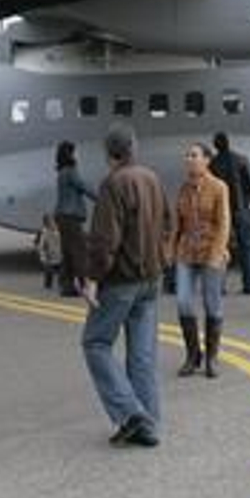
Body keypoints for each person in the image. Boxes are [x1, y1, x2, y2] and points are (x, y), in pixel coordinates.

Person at [80, 123, 170, 448]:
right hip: (151, 278)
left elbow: (105, 240)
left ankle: (131, 414)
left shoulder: (113, 184)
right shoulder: (152, 178)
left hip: (121, 280)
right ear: (133, 148)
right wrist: (161, 260)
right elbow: (168, 224)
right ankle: (150, 424)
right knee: (142, 355)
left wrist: (92, 279)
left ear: (109, 154)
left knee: (95, 343)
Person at [171, 143, 230, 378]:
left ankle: (211, 357)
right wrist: (169, 250)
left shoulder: (219, 187)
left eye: (194, 155)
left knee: (211, 304)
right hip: (186, 252)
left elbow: (224, 223)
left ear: (206, 160)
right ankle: (192, 355)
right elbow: (178, 224)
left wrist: (217, 254)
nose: (189, 159)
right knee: (183, 302)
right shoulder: (183, 189)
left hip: (210, 253)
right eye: (187, 155)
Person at [209, 132, 250, 295]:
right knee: (246, 248)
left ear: (216, 146)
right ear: (228, 143)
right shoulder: (241, 160)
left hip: (222, 212)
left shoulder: (213, 164)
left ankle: (221, 286)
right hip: (242, 210)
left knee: (221, 249)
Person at [52, 141, 95, 298]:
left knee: (68, 252)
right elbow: (83, 187)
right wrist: (102, 198)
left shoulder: (62, 171)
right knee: (80, 251)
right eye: (75, 152)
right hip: (71, 216)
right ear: (70, 154)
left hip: (61, 216)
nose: (78, 154)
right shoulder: (71, 171)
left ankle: (66, 286)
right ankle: (84, 285)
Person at [35, 213, 63, 291]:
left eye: (54, 222)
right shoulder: (43, 232)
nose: (53, 224)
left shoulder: (59, 231)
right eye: (51, 222)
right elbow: (40, 245)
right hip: (49, 256)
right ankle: (48, 284)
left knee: (61, 271)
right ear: (47, 224)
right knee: (49, 272)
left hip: (59, 255)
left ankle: (61, 284)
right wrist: (43, 255)